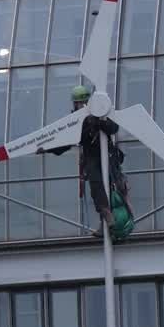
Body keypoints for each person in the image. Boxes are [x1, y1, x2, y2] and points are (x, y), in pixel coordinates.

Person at [38, 85, 129, 235]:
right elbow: (65, 143)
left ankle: (120, 219)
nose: (81, 105)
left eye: (84, 102)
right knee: (97, 187)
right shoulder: (75, 122)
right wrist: (47, 148)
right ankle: (106, 216)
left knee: (116, 187)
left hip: (108, 155)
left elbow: (113, 128)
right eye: (78, 103)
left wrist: (98, 121)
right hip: (92, 157)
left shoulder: (100, 113)